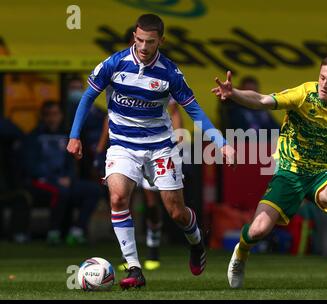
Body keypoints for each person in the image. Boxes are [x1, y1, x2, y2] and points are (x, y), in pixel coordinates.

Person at [67, 13, 235, 289]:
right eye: (140, 40)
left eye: (151, 42)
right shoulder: (114, 63)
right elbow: (87, 97)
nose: (144, 47)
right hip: (122, 145)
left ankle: (196, 242)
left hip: (160, 147)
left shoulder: (170, 74)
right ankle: (134, 268)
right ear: (134, 36)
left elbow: (195, 112)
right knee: (119, 197)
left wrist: (221, 143)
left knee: (176, 212)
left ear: (161, 41)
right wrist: (74, 136)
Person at [212, 54, 327, 288]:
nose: (324, 84)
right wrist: (235, 94)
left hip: (321, 174)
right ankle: (241, 252)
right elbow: (262, 100)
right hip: (289, 172)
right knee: (259, 230)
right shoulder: (303, 94)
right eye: (322, 77)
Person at [95, 98, 183, 272]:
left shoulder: (163, 75)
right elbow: (110, 118)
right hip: (127, 148)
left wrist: (178, 143)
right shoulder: (120, 76)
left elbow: (174, 112)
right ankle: (128, 254)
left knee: (152, 204)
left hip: (156, 148)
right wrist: (100, 149)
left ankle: (153, 248)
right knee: (123, 199)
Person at [23, 101, 100, 245]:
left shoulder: (67, 136)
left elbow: (70, 162)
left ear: (61, 115)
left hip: (64, 180)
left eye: (55, 114)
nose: (52, 118)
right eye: (48, 115)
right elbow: (31, 165)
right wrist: (54, 179)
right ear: (42, 117)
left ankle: (76, 231)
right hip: (42, 181)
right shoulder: (33, 137)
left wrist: (69, 178)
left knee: (94, 190)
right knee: (61, 192)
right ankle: (54, 233)